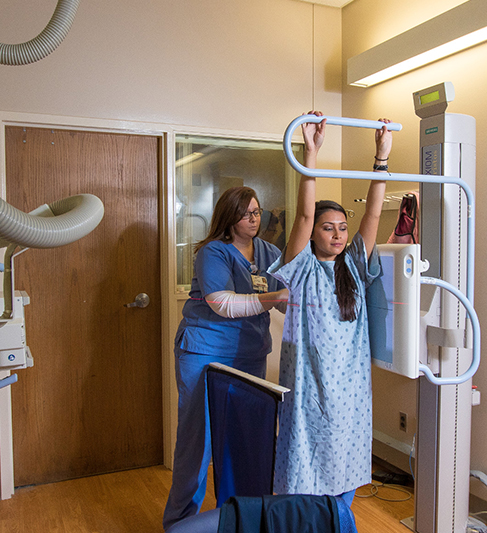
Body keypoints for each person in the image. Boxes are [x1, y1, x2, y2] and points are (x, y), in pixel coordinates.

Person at [268, 111, 392, 506]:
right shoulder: (302, 267)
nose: (338, 234)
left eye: (342, 227)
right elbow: (304, 213)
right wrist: (311, 154)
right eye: (328, 227)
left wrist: (382, 157)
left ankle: (340, 517)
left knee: (345, 470)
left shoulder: (353, 266)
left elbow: (372, 214)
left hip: (351, 390)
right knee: (304, 473)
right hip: (309, 386)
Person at [163, 186, 288, 531]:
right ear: (229, 216)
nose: (253, 219)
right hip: (205, 352)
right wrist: (276, 296)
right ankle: (179, 522)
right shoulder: (212, 252)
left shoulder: (269, 251)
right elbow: (222, 303)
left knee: (247, 441)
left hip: (250, 355)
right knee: (198, 443)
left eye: (257, 212)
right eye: (246, 213)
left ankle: (239, 520)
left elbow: (288, 294)